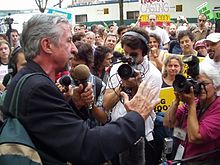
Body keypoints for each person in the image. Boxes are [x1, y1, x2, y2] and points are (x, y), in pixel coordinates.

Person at [2, 14, 160, 165]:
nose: (74, 49)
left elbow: (49, 132)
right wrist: (135, 117)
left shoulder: (26, 77)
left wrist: (74, 105)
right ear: (47, 45)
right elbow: (87, 146)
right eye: (69, 40)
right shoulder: (38, 87)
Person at [104, 27, 162, 165]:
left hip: (140, 138)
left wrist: (136, 86)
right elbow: (106, 104)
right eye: (126, 53)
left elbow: (141, 114)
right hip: (116, 134)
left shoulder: (154, 75)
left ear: (145, 51)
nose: (129, 59)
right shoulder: (116, 68)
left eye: (134, 54)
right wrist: (123, 84)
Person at [163, 63, 220, 164]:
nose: (200, 87)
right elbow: (168, 123)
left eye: (204, 84)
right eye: (197, 83)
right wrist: (176, 100)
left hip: (202, 161)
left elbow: (195, 137)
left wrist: (191, 104)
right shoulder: (195, 102)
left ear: (216, 86)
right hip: (181, 156)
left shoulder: (217, 108)